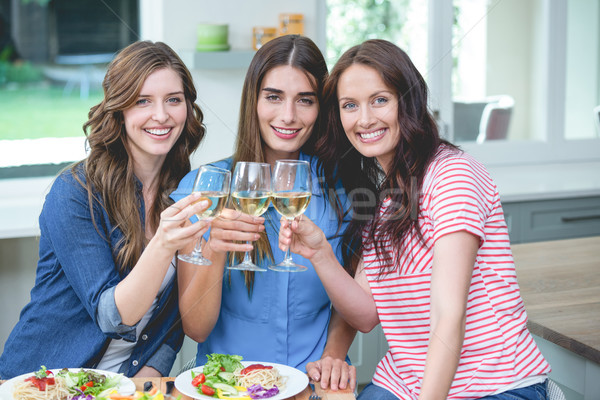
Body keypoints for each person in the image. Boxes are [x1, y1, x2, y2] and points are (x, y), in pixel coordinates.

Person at [279, 39, 551, 399]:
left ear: (408, 101)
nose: (364, 119)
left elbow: (447, 316)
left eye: (380, 100)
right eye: (350, 105)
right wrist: (320, 254)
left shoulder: (452, 176)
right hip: (402, 384)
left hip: (492, 385)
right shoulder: (384, 201)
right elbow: (364, 315)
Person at [0, 41, 210, 379]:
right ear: (119, 110)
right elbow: (113, 316)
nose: (162, 115)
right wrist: (163, 244)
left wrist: (145, 384)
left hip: (122, 386)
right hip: (43, 384)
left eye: (174, 99)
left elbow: (174, 322)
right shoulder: (75, 191)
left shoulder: (187, 191)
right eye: (143, 101)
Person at [171, 34, 357, 391]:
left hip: (314, 382)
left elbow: (352, 299)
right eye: (273, 97)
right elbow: (196, 327)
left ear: (322, 108)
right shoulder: (204, 190)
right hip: (229, 384)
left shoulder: (342, 190)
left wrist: (334, 354)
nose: (288, 116)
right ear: (252, 100)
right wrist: (215, 250)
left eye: (305, 100)